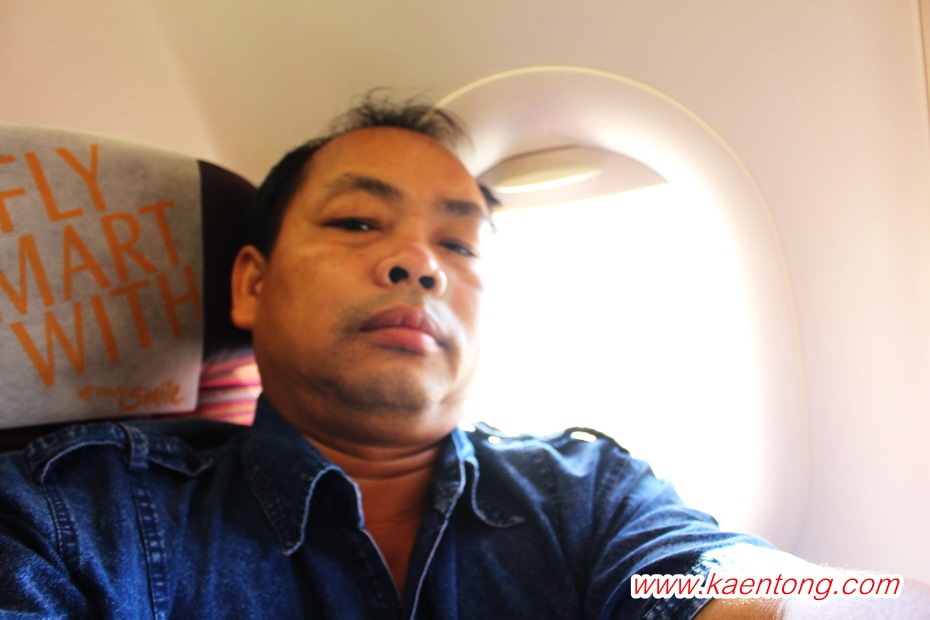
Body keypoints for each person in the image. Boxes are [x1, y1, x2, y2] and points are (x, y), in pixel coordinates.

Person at [0, 96, 927, 618]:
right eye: (357, 223)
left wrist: (846, 601)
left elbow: (705, 578)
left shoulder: (585, 498)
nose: (420, 265)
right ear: (251, 283)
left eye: (460, 244)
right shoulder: (81, 516)